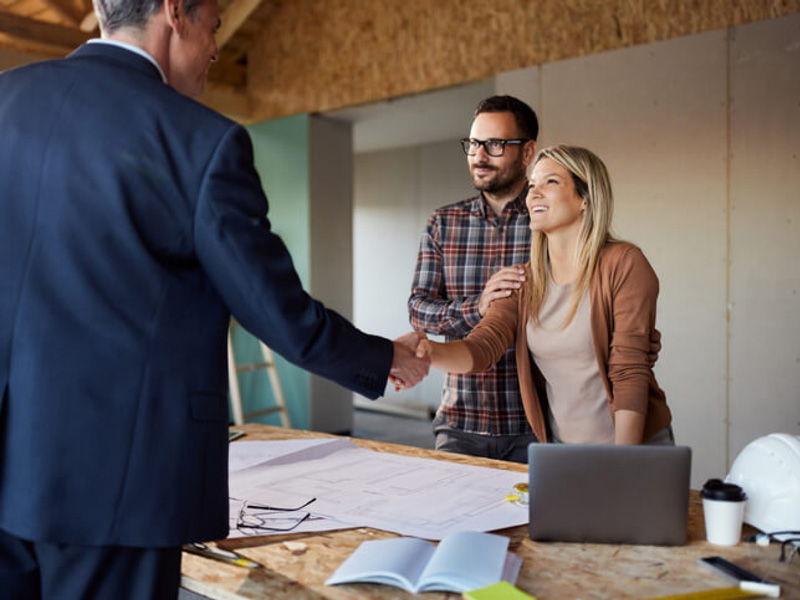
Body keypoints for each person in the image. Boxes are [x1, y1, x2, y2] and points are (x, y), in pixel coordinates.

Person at [0, 1, 428, 598]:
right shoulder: (200, 140)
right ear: (176, 11)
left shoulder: (6, 100)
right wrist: (385, 358)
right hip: (115, 484)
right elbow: (275, 308)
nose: (217, 50)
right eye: (215, 26)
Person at [416, 145, 673, 446]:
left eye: (550, 182)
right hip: (562, 449)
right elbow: (482, 349)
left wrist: (621, 462)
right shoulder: (525, 281)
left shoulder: (624, 263)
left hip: (633, 445)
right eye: (533, 185)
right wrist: (426, 351)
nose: (533, 193)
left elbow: (629, 370)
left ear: (585, 199)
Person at [408, 95, 539, 462]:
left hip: (538, 426)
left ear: (527, 152)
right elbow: (418, 310)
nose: (480, 155)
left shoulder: (551, 221)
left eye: (495, 144)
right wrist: (476, 307)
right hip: (459, 424)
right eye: (474, 143)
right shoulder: (443, 223)